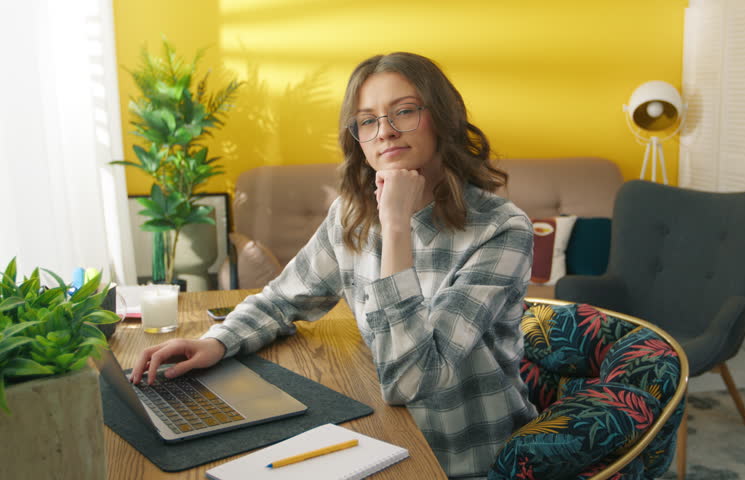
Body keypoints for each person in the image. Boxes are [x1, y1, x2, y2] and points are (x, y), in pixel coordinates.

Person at [130, 52, 537, 479]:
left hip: (464, 458)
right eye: (367, 120)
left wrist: (396, 227)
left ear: (443, 117)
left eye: (404, 111)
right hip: (378, 434)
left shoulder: (500, 229)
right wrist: (216, 342)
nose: (385, 132)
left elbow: (414, 382)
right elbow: (282, 299)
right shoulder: (352, 213)